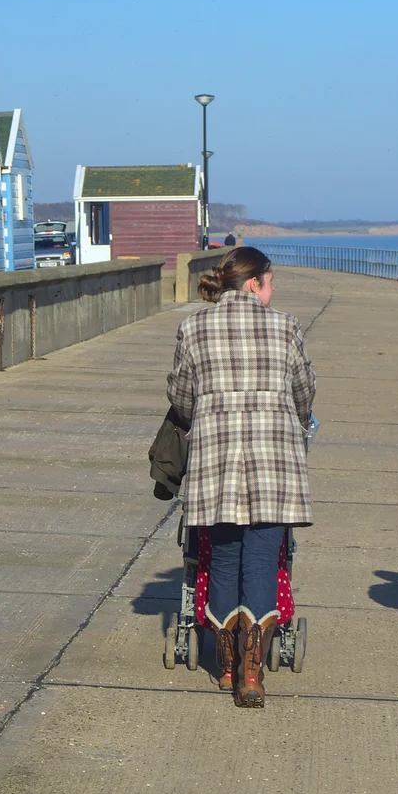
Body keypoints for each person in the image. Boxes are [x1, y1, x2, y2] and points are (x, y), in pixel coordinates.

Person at [168, 246, 315, 707]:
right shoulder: (286, 327)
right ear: (253, 284)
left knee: (224, 561)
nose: (273, 291)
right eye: (270, 283)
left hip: (217, 462)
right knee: (262, 562)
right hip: (275, 464)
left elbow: (182, 397)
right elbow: (304, 392)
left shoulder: (193, 327)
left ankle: (228, 665)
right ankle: (252, 676)